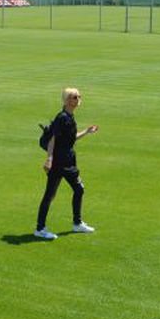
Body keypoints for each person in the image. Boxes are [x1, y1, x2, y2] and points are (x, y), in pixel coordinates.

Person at [34, 87, 99, 240]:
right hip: (58, 162)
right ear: (67, 100)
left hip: (69, 162)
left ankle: (77, 223)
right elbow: (52, 139)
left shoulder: (70, 117)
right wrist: (49, 159)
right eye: (75, 97)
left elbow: (71, 138)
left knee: (79, 189)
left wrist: (86, 131)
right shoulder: (61, 118)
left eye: (79, 96)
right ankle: (40, 229)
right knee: (50, 195)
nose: (78, 99)